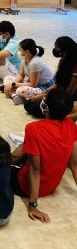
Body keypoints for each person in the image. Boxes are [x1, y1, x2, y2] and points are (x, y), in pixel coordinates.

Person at [10, 88, 77, 223]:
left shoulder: (33, 128)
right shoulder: (71, 125)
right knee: (25, 147)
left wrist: (33, 206)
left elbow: (35, 169)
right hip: (51, 186)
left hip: (25, 186)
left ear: (46, 107)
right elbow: (74, 164)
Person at [24, 36, 77, 119]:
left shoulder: (75, 64)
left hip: (68, 97)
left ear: (64, 50)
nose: (56, 50)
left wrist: (46, 97)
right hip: (60, 93)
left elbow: (70, 91)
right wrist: (43, 93)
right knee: (28, 104)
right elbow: (57, 84)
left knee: (34, 109)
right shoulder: (63, 60)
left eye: (57, 48)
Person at [2, 39, 55, 105]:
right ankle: (14, 94)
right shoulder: (24, 60)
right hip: (31, 83)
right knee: (7, 78)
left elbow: (33, 85)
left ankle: (13, 93)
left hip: (44, 88)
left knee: (20, 90)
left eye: (20, 50)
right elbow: (21, 75)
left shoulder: (35, 63)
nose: (18, 52)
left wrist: (13, 84)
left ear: (27, 52)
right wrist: (12, 84)